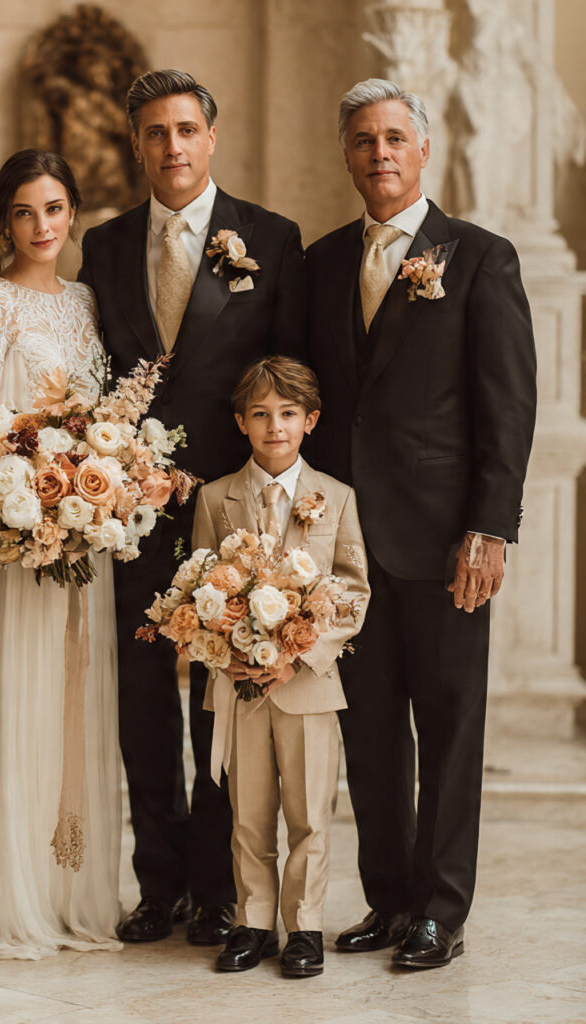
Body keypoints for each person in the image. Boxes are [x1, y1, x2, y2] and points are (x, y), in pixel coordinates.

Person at [306, 78, 536, 968]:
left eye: (395, 138)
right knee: (368, 731)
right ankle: (390, 900)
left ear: (424, 149)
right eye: (364, 140)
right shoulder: (323, 262)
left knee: (446, 728)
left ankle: (441, 909)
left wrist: (490, 528)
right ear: (346, 155)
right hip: (345, 548)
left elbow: (506, 405)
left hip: (446, 543)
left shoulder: (479, 258)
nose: (381, 154)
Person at [79, 68, 308, 946]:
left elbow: (289, 377)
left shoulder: (271, 238)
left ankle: (218, 888)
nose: (172, 146)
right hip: (130, 511)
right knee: (141, 698)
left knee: (226, 699)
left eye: (185, 130)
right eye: (155, 132)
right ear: (136, 145)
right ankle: (159, 884)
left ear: (211, 138)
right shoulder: (105, 246)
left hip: (232, 513)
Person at [0, 149, 122, 959]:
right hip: (20, 538)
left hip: (84, 533)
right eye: (24, 212)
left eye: (53, 208)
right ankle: (16, 897)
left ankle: (73, 894)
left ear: (72, 212)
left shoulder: (86, 300)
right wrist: (29, 496)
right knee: (22, 697)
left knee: (77, 700)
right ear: (4, 222)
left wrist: (104, 482)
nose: (42, 225)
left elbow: (102, 415)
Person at [192, 356, 369, 978]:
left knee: (309, 813)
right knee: (248, 813)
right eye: (261, 414)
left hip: (308, 686)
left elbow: (353, 593)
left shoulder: (337, 498)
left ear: (310, 421)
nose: (275, 426)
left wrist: (301, 656)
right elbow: (198, 589)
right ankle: (253, 922)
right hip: (240, 684)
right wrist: (228, 651)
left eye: (288, 414)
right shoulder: (215, 497)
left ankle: (306, 926)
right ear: (241, 422)